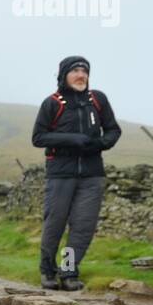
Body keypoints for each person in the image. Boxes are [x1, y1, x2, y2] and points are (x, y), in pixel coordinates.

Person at [31, 56, 121, 290]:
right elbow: (38, 137)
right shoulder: (52, 103)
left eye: (85, 71)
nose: (81, 75)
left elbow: (113, 130)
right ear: (64, 76)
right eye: (75, 71)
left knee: (82, 227)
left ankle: (69, 272)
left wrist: (101, 143)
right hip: (60, 174)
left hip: (92, 174)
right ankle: (47, 270)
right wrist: (74, 140)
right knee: (55, 223)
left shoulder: (97, 100)